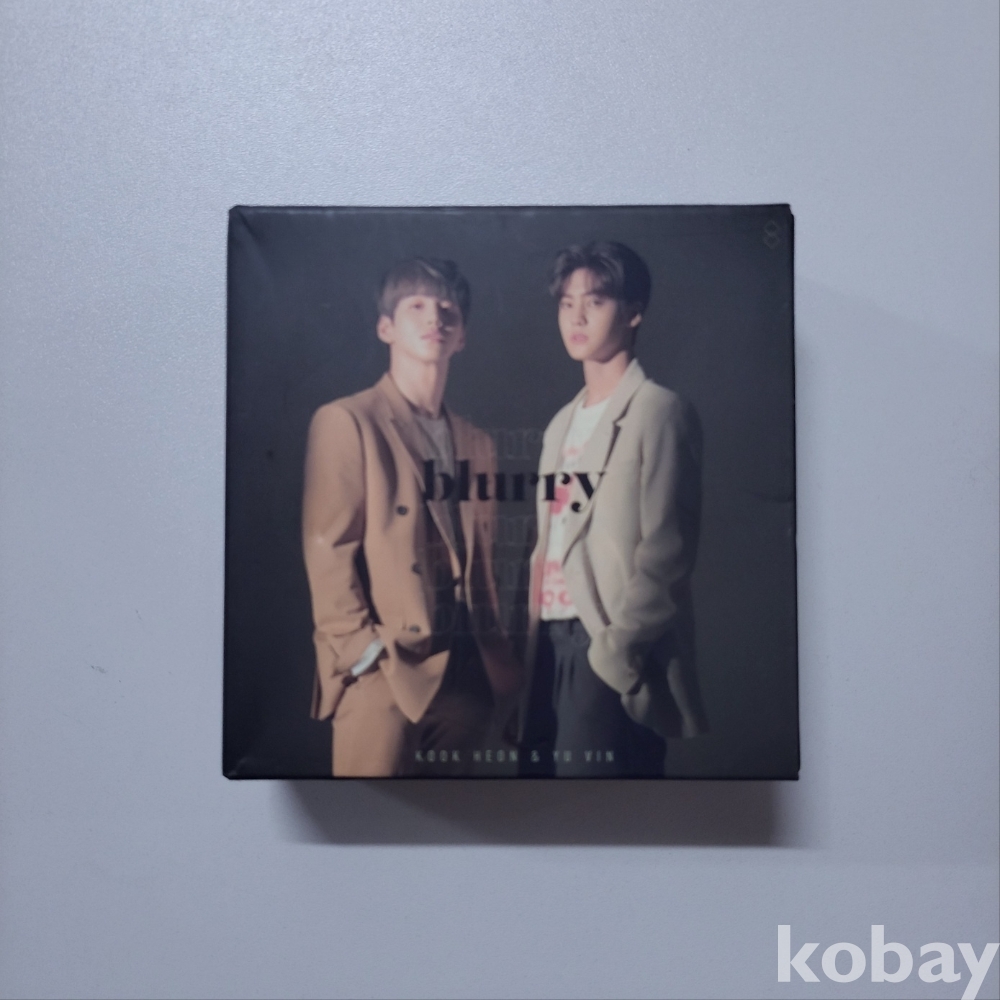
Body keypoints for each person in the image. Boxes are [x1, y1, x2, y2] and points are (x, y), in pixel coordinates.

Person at [302, 258, 520, 777]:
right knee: (369, 822)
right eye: (416, 306)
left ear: (462, 337)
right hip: (386, 672)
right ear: (386, 328)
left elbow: (482, 570)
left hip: (466, 680)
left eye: (448, 309)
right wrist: (365, 654)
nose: (435, 317)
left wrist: (501, 673)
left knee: (451, 827)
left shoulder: (478, 444)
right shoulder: (347, 420)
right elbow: (327, 551)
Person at [520, 241, 708, 777]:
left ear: (633, 312)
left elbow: (668, 554)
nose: (576, 317)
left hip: (605, 647)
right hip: (545, 646)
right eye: (566, 303)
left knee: (596, 809)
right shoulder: (560, 423)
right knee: (534, 805)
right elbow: (550, 543)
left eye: (595, 302)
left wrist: (615, 653)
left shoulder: (660, 411)